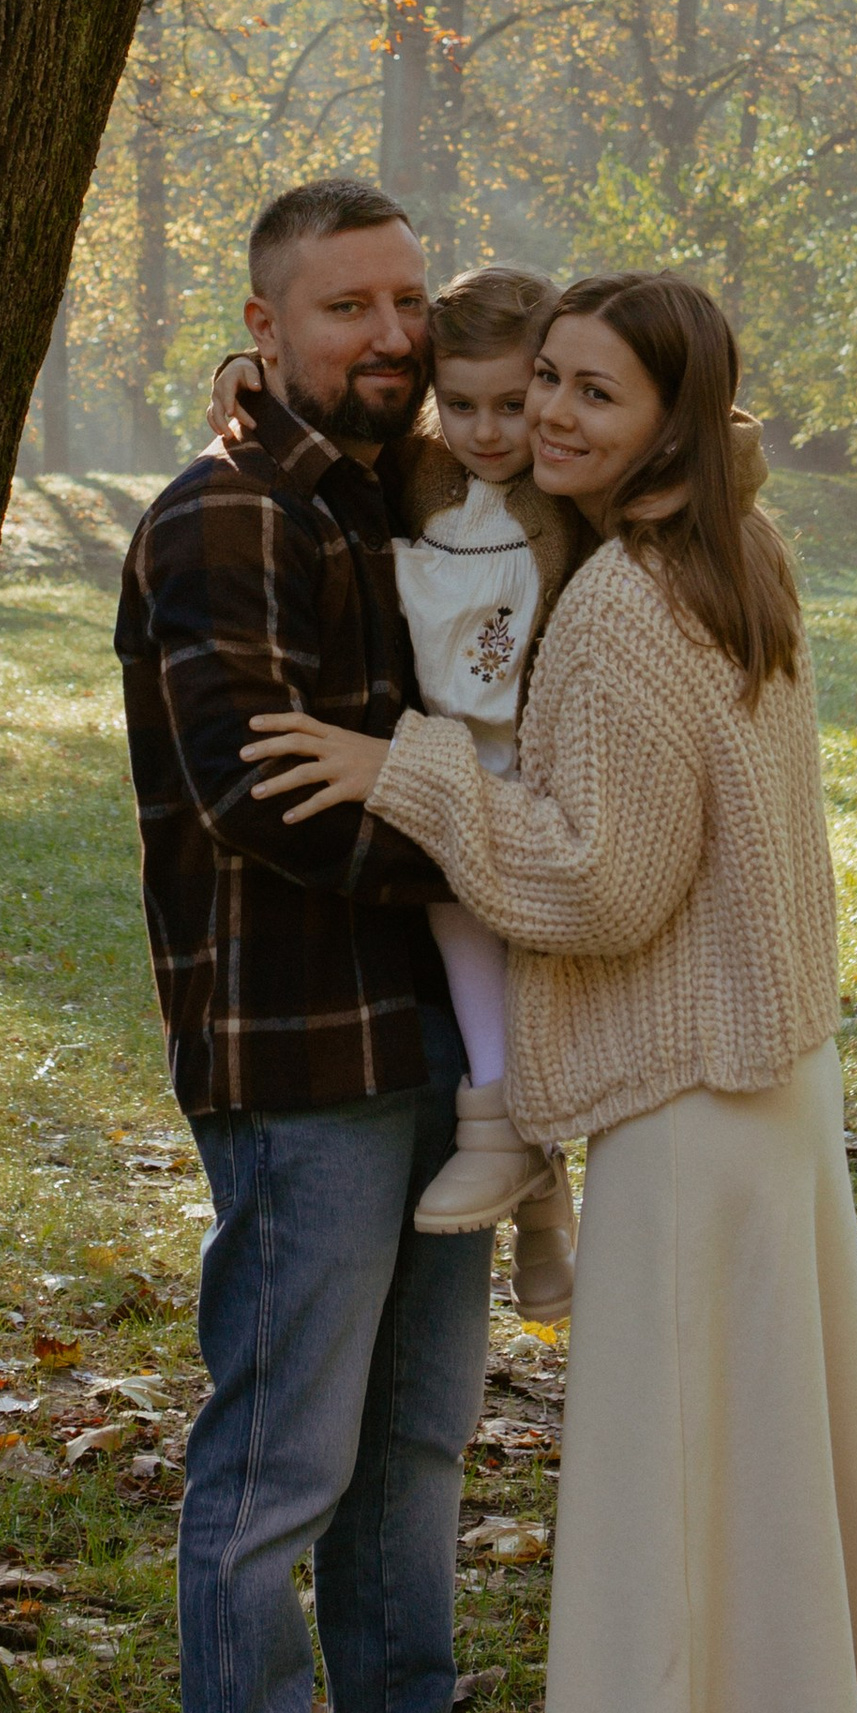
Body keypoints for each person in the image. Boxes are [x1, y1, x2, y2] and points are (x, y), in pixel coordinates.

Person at [242, 271, 857, 1713]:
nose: (548, 417)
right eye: (541, 380)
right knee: (768, 1466)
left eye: (593, 396)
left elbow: (607, 887)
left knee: (739, 1475)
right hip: (759, 1087)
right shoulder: (730, 551)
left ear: (669, 423)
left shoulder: (625, 601)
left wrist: (408, 770)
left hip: (696, 1097)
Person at [115, 175, 588, 1713]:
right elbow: (270, 802)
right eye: (345, 310)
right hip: (300, 1062)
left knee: (415, 1450)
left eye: (406, 301)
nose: (388, 335)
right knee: (279, 1465)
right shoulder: (223, 522)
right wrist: (498, 832)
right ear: (265, 327)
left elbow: (445, 740)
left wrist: (454, 799)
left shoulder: (409, 509)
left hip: (436, 1064)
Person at [210, 264, 582, 1315]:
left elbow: (679, 454)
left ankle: (536, 1183)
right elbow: (318, 431)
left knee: (529, 981)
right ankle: (512, 1144)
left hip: (527, 765)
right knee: (466, 944)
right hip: (438, 763)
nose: (490, 432)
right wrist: (249, 371)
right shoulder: (418, 476)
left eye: (515, 404)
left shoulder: (569, 492)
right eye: (460, 405)